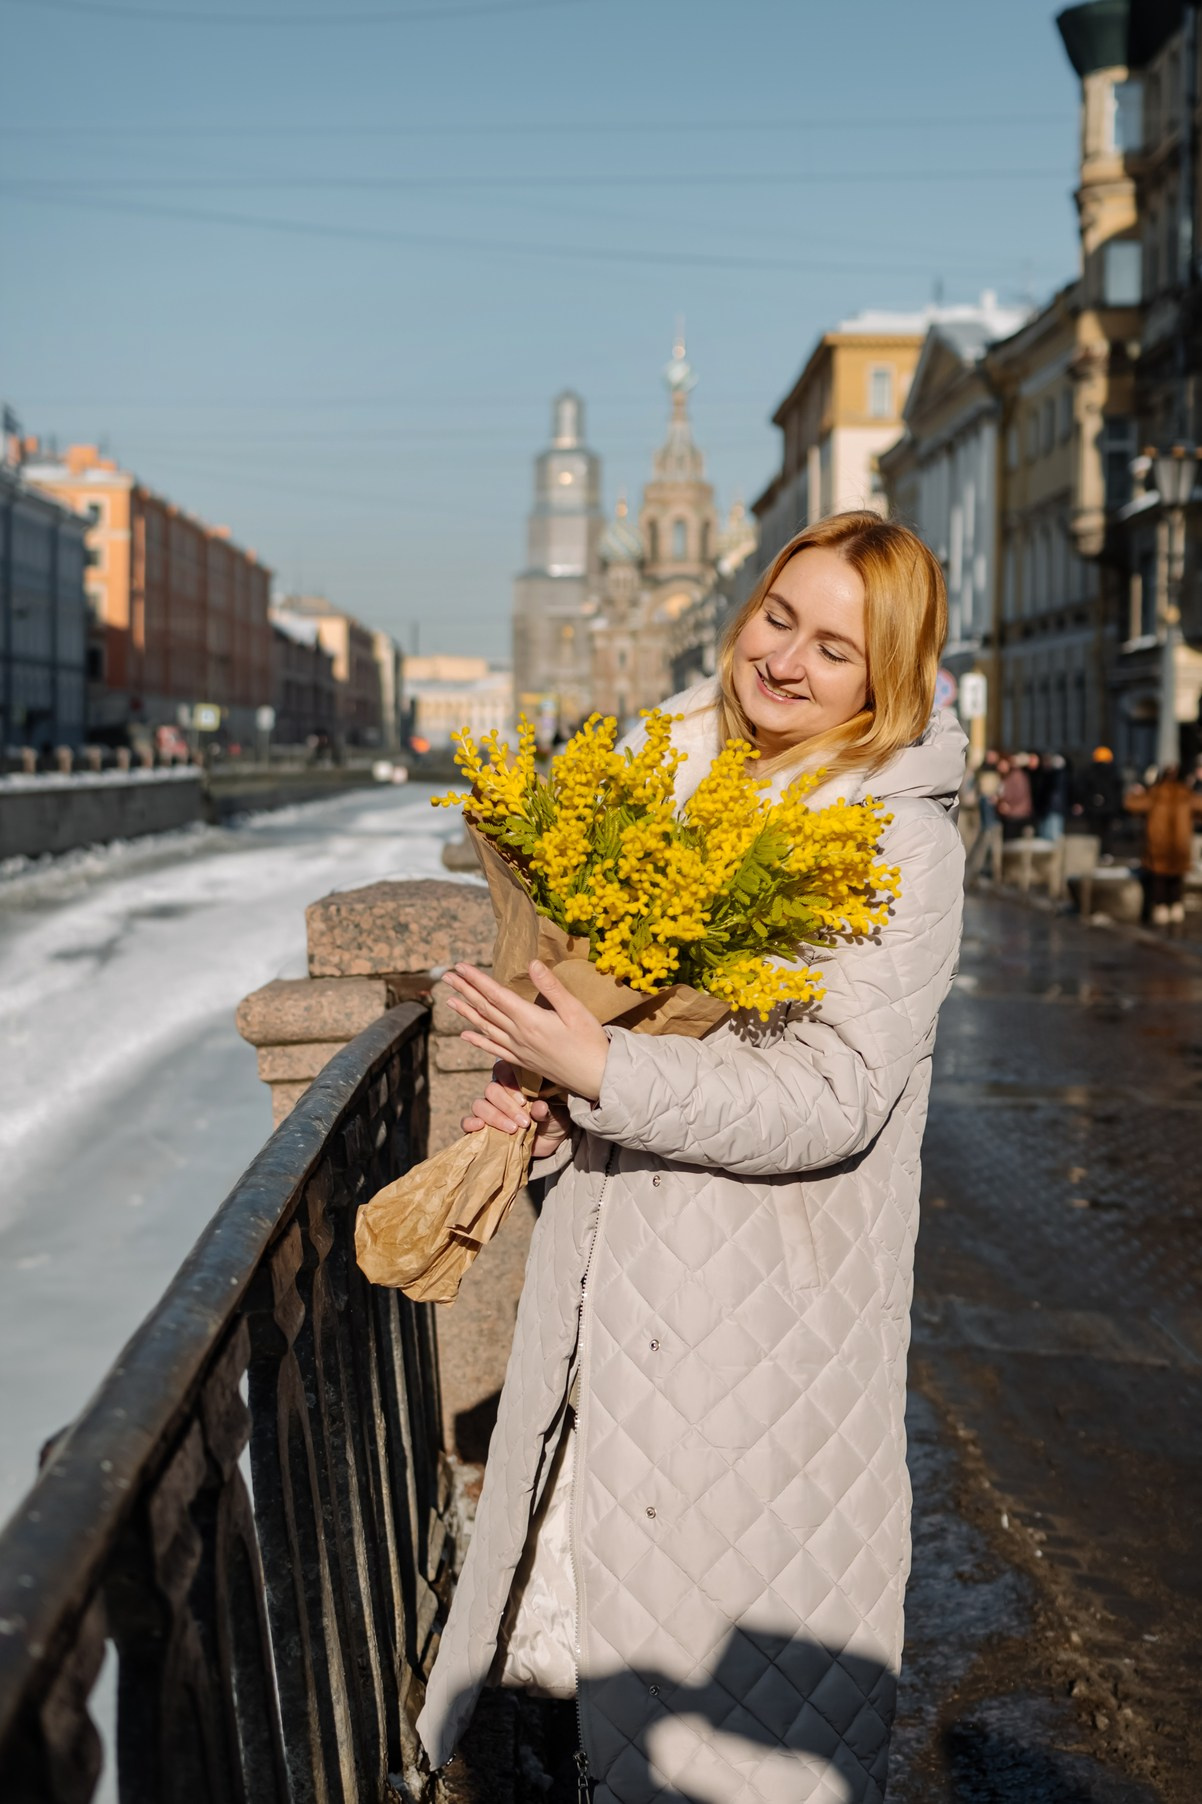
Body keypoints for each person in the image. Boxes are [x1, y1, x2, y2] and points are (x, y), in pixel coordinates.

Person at [416, 512, 967, 1804]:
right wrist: (553, 1111)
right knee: (581, 1713)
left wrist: (598, 1067)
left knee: (720, 1750)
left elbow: (830, 1096)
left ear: (884, 681)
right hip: (611, 1334)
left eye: (833, 648)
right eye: (778, 617)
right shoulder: (673, 792)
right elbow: (641, 1070)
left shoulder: (897, 840)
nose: (783, 659)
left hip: (758, 1349)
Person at [1126, 765, 1202, 928]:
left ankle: (1160, 908)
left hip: (1158, 843)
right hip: (1179, 844)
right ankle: (1176, 906)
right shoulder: (1186, 793)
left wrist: (1135, 792)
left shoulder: (1155, 792)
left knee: (1159, 878)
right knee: (1176, 877)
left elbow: (1132, 804)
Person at [1074, 746, 1123, 853]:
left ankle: (1093, 852)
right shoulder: (1114, 772)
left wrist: (1084, 801)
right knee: (1106, 832)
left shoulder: (1089, 771)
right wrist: (1118, 809)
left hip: (1093, 807)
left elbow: (1082, 788)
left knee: (1093, 832)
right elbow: (1118, 791)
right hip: (1109, 808)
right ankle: (1106, 853)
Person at [995, 753, 1033, 838]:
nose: (1000, 767)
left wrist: (1007, 804)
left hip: (1018, 813)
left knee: (1013, 841)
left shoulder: (1016, 776)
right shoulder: (1005, 776)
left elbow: (1019, 794)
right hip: (1010, 813)